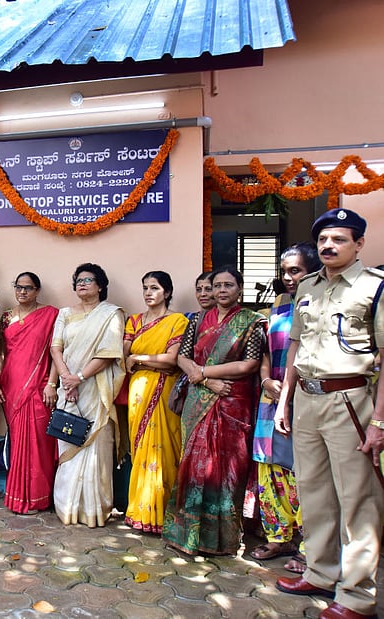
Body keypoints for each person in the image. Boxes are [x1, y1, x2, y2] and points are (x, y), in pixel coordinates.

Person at [274, 209, 384, 619]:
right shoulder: (307, 287)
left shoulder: (374, 288)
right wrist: (285, 402)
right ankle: (320, 573)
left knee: (357, 500)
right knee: (314, 491)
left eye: (338, 239)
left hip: (350, 401)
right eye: (322, 240)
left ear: (358, 244)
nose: (328, 246)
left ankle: (356, 596)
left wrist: (379, 422)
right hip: (306, 398)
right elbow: (295, 349)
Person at [163, 267, 265, 555]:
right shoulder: (196, 320)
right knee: (193, 464)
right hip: (199, 398)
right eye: (217, 285)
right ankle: (187, 534)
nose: (221, 290)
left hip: (233, 401)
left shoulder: (252, 322)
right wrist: (206, 379)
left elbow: (249, 365)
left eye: (228, 285)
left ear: (239, 289)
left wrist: (204, 371)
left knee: (228, 468)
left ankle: (222, 539)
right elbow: (183, 357)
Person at [248, 244, 319, 569]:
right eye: (285, 271)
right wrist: (265, 382)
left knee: (306, 471)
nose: (289, 278)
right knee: (270, 466)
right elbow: (265, 352)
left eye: (296, 271)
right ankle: (279, 538)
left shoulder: (321, 305)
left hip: (306, 397)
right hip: (271, 396)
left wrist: (289, 394)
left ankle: (311, 546)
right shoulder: (279, 305)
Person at [49, 263, 125, 527]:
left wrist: (79, 378)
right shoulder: (64, 314)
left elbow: (108, 352)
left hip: (96, 388)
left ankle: (94, 510)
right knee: (69, 440)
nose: (82, 284)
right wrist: (67, 379)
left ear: (100, 285)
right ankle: (67, 507)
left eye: (89, 279)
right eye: (78, 280)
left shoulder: (111, 314)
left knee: (96, 445)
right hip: (69, 389)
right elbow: (56, 348)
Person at [123, 271, 188, 533]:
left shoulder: (177, 321)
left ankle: (163, 515)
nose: (149, 293)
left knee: (163, 449)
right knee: (140, 448)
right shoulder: (134, 321)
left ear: (168, 292)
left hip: (164, 390)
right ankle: (139, 511)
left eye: (155, 288)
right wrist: (147, 358)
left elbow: (172, 359)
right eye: (145, 288)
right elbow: (124, 353)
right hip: (138, 390)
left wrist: (139, 359)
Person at [0, 271, 59, 514]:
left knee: (38, 443)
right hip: (11, 385)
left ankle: (38, 498)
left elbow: (55, 352)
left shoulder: (50, 315)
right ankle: (18, 497)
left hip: (38, 387)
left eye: (28, 288)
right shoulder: (7, 317)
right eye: (18, 287)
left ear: (37, 290)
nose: (22, 292)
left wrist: (52, 384)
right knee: (19, 441)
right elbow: (2, 354)